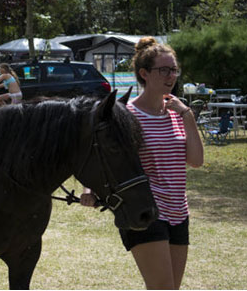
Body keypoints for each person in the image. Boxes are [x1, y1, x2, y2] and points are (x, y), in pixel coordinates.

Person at [80, 37, 203, 289]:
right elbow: (106, 156)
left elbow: (196, 161)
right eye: (164, 70)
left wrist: (188, 115)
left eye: (174, 69)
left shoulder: (179, 113)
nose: (171, 76)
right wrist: (89, 189)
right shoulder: (127, 115)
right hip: (145, 211)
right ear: (144, 73)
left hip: (179, 211)